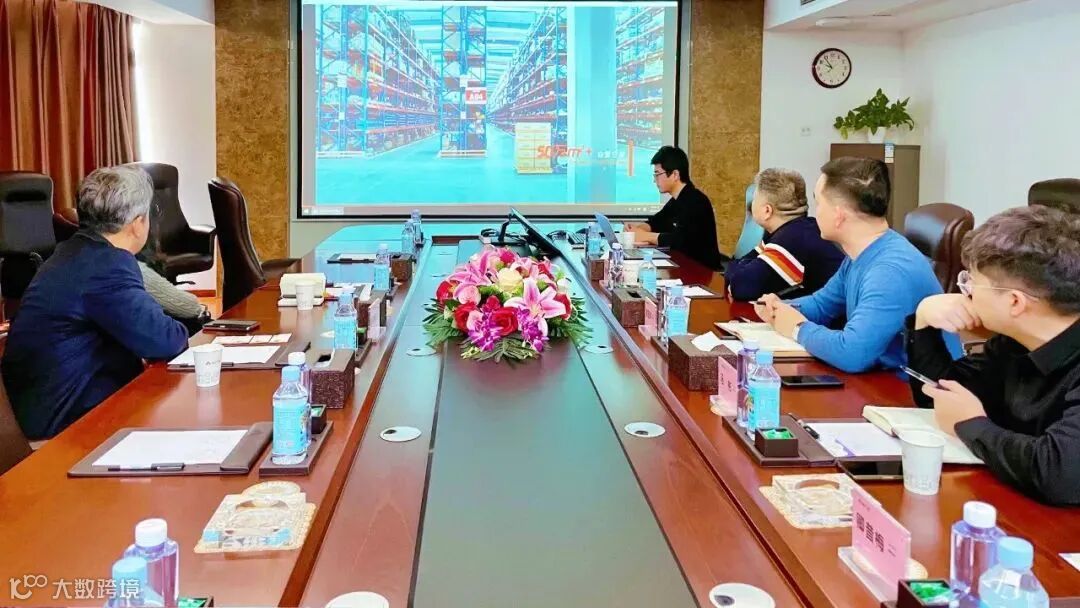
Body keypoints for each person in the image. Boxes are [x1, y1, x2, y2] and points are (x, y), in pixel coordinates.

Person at [906, 206, 1080, 505]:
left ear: (1015, 302)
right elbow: (943, 398)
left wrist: (972, 424)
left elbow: (1060, 473)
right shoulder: (1013, 341)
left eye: (971, 282)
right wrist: (924, 322)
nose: (965, 291)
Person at [2, 166, 189, 440]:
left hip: (41, 408)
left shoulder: (72, 251)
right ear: (137, 223)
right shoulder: (107, 266)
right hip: (61, 428)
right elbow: (166, 341)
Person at [755, 157, 946, 372]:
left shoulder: (888, 272)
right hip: (878, 380)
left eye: (819, 203)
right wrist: (779, 308)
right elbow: (822, 305)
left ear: (838, 215)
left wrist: (797, 328)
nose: (816, 212)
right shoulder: (861, 253)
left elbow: (853, 353)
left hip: (909, 389)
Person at [724, 168, 844, 301]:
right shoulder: (792, 230)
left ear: (767, 211)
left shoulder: (792, 240)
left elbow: (740, 286)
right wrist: (736, 270)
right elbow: (739, 264)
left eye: (754, 200)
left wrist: (735, 272)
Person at [625, 145, 726, 269]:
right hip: (682, 265)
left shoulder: (696, 201)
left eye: (657, 174)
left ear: (675, 174)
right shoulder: (677, 200)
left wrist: (645, 236)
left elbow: (682, 241)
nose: (654, 180)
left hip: (702, 270)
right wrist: (637, 230)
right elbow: (657, 221)